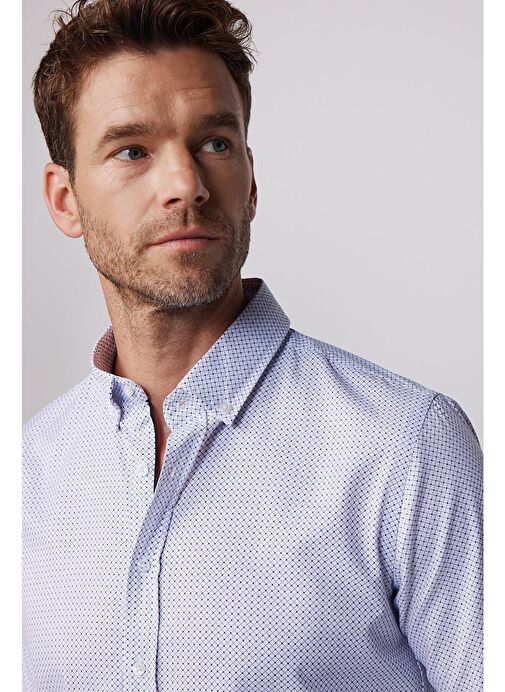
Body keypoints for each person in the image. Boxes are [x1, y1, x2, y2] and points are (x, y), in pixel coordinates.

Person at [23, 1, 483, 690]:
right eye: (132, 151)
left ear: (251, 181)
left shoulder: (407, 448)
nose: (185, 185)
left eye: (214, 143)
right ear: (65, 200)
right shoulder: (28, 476)